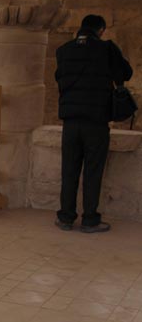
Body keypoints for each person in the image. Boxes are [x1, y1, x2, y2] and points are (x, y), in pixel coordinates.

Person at [55, 14, 133, 233]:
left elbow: (58, 77)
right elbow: (125, 73)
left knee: (68, 170)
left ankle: (65, 217)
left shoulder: (64, 50)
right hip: (96, 121)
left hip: (70, 122)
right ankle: (90, 220)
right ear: (101, 30)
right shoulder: (106, 48)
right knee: (93, 171)